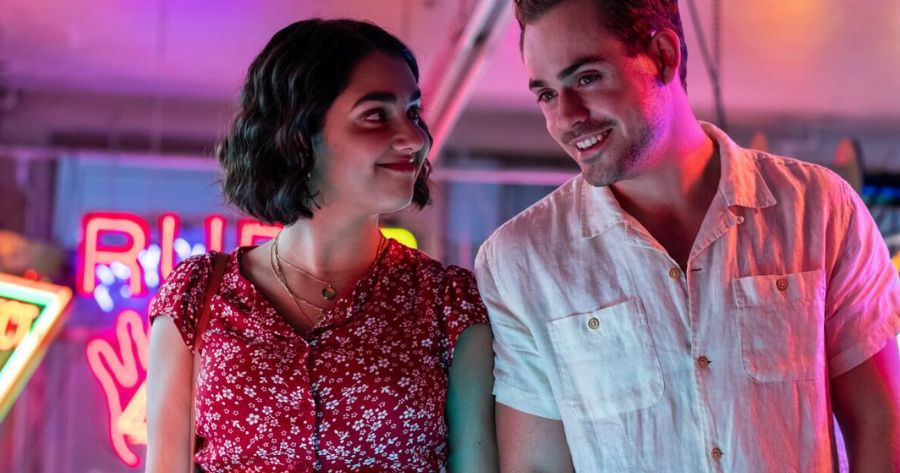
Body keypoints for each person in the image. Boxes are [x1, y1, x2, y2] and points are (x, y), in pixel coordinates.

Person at [474, 0, 900, 471]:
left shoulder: (818, 208)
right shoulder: (521, 259)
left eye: (587, 78)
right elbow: (537, 467)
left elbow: (880, 421)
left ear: (663, 55)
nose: (566, 117)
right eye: (547, 95)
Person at [146, 18, 497, 473]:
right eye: (376, 115)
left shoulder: (448, 302)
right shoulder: (198, 295)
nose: (414, 138)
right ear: (299, 134)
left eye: (413, 112)